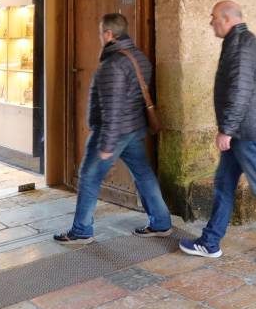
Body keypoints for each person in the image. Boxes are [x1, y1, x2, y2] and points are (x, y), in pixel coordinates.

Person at [179, 1, 256, 263]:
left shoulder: (242, 45)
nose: (210, 22)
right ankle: (210, 241)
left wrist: (227, 130)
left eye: (213, 17)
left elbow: (239, 91)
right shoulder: (239, 42)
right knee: (224, 184)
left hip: (248, 132)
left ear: (226, 19)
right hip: (243, 131)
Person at [54, 13, 172, 244]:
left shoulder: (113, 65)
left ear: (108, 34)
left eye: (100, 33)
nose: (100, 37)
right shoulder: (138, 57)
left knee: (89, 177)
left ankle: (81, 230)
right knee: (143, 174)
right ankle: (161, 222)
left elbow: (112, 109)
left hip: (113, 133)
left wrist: (106, 145)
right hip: (132, 129)